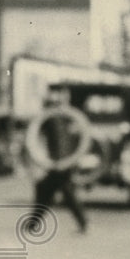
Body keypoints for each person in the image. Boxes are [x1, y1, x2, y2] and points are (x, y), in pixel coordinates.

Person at [27, 87, 88, 233]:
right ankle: (82, 223)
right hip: (59, 161)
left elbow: (69, 140)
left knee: (50, 191)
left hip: (62, 162)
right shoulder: (58, 117)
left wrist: (61, 161)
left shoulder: (63, 118)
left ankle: (33, 223)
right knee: (56, 191)